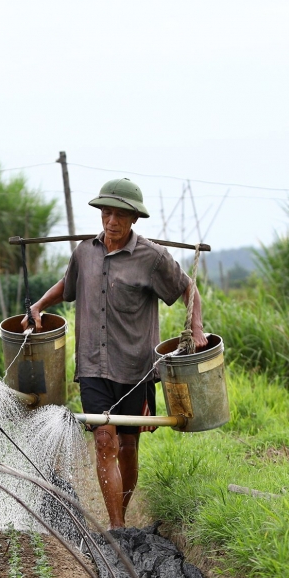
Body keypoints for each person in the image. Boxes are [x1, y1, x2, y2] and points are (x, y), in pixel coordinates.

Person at [22, 178, 206, 528]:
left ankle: (124, 514)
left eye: (120, 215)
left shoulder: (152, 258)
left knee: (126, 447)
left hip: (136, 369)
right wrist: (42, 304)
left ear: (134, 218)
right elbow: (69, 285)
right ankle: (118, 528)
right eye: (107, 213)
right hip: (93, 365)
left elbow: (188, 289)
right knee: (104, 442)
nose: (112, 222)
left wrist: (195, 328)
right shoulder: (84, 253)